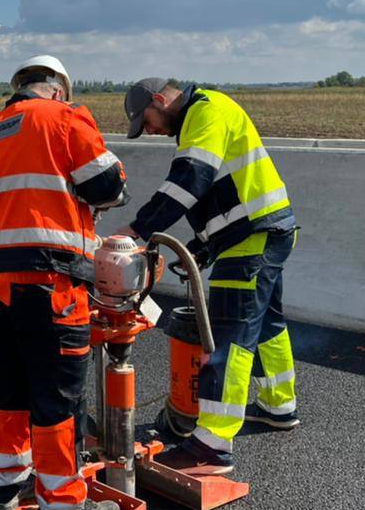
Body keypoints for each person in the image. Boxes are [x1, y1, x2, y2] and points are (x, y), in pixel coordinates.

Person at [0, 55, 130, 510]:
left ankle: (4, 484)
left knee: (4, 387)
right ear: (58, 89)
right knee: (58, 395)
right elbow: (106, 185)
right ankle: (62, 506)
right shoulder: (64, 117)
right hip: (48, 282)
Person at [116, 78, 299, 475]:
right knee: (266, 322)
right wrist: (201, 248)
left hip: (251, 239)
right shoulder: (205, 115)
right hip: (264, 231)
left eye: (145, 121)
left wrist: (137, 230)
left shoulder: (205, 111)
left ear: (160, 100)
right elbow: (220, 193)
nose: (148, 131)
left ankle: (212, 444)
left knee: (229, 334)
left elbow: (189, 181)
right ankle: (278, 405)